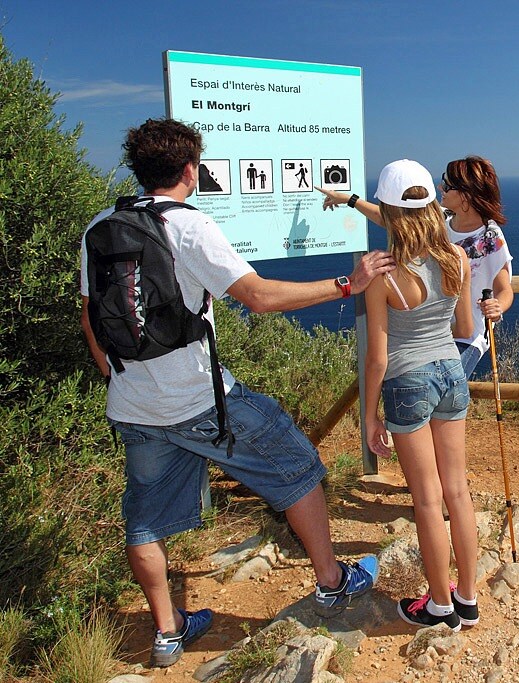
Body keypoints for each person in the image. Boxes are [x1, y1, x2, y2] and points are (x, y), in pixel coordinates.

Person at [79, 118, 396, 668]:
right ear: (189, 170)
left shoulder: (100, 226)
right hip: (201, 400)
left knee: (145, 520)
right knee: (297, 463)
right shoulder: (189, 226)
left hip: (132, 403)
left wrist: (113, 372)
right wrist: (348, 284)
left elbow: (88, 312)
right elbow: (259, 297)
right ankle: (330, 581)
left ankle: (167, 631)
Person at [361, 159, 479, 631]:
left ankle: (438, 605)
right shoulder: (457, 258)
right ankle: (466, 600)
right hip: (451, 372)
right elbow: (465, 328)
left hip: (407, 382)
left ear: (388, 213)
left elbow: (377, 358)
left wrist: (369, 418)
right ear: (432, 205)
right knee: (457, 492)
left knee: (427, 499)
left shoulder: (381, 274)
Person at [318, 155, 512, 376]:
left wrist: (498, 306)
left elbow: (504, 287)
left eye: (447, 185)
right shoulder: (442, 219)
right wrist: (350, 200)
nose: (440, 187)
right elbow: (390, 219)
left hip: (468, 336)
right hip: (434, 331)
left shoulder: (489, 237)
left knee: (438, 385)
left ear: (465, 196)